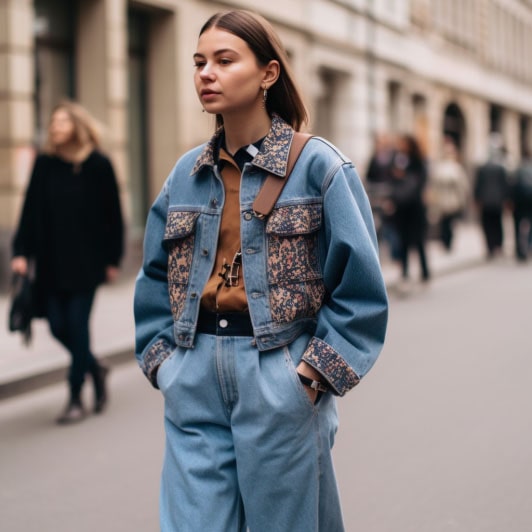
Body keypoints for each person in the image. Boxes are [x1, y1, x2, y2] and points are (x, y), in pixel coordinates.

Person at [134, 9, 388, 532]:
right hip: (194, 371)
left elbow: (361, 289)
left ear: (268, 74)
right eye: (200, 62)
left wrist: (312, 375)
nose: (206, 73)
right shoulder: (185, 174)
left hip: (277, 370)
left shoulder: (320, 167)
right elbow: (154, 276)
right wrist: (164, 362)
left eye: (225, 61)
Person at [11, 101, 124, 424]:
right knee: (58, 325)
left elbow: (112, 215)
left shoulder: (98, 164)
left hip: (87, 263)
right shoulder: (45, 163)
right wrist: (21, 251)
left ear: (77, 126)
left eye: (62, 122)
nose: (55, 128)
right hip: (49, 262)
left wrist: (113, 258)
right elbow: (30, 209)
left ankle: (76, 396)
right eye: (53, 123)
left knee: (77, 326)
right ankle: (94, 366)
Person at [387, 133, 431, 282]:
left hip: (415, 208)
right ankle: (405, 273)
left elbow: (420, 182)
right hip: (402, 209)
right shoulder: (398, 159)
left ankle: (425, 272)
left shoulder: (418, 162)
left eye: (403, 143)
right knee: (403, 241)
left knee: (419, 241)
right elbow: (392, 180)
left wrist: (404, 177)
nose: (401, 146)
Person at [428, 137, 470, 251]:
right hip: (446, 200)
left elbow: (462, 186)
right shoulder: (450, 168)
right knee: (446, 223)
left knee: (447, 223)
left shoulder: (448, 168)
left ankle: (447, 242)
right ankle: (446, 241)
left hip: (449, 200)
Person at [366, 131, 401, 261]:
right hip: (376, 196)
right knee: (377, 226)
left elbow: (396, 178)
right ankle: (378, 253)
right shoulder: (374, 158)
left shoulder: (393, 158)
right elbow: (369, 176)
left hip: (389, 196)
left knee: (390, 226)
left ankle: (395, 254)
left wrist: (392, 198)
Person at [474, 135, 510, 258]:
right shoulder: (500, 167)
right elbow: (505, 185)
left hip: (486, 201)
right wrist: (506, 199)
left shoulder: (483, 167)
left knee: (488, 225)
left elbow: (478, 185)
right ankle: (497, 245)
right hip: (497, 201)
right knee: (497, 224)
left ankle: (491, 247)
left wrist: (477, 199)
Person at [510, 151, 532, 261]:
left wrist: (511, 201)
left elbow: (512, 186)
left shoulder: (517, 171)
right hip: (530, 202)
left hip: (519, 203)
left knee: (517, 225)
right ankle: (528, 246)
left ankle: (519, 249)